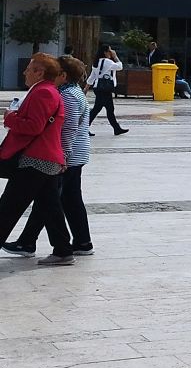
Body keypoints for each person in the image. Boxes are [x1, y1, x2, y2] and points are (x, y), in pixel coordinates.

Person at [5, 55, 95, 260]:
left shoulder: (67, 95)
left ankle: (30, 242)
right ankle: (76, 243)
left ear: (63, 75)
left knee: (51, 200)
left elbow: (67, 129)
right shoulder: (68, 92)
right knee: (58, 200)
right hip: (66, 155)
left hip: (65, 155)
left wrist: (63, 154)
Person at [87, 45, 128, 136]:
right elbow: (120, 66)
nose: (111, 52)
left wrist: (86, 88)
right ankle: (84, 128)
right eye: (109, 51)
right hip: (105, 89)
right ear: (105, 52)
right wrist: (115, 56)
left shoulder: (96, 62)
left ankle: (116, 128)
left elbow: (92, 76)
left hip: (99, 88)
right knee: (99, 110)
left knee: (106, 109)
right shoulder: (107, 62)